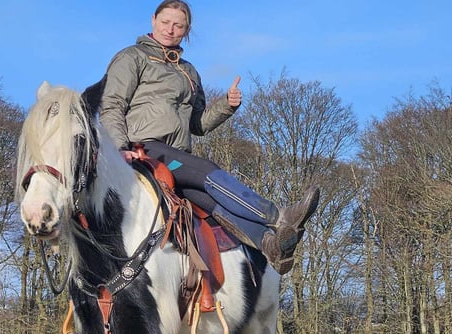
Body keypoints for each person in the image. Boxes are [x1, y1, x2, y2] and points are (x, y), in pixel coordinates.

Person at [99, 0, 318, 275]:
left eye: (178, 25)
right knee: (208, 171)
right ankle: (279, 216)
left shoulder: (189, 72)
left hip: (177, 156)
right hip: (145, 149)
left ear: (186, 30)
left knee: (212, 203)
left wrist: (226, 105)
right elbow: (111, 105)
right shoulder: (132, 57)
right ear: (153, 20)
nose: (170, 29)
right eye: (166, 22)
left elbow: (198, 124)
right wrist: (120, 147)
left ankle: (270, 244)